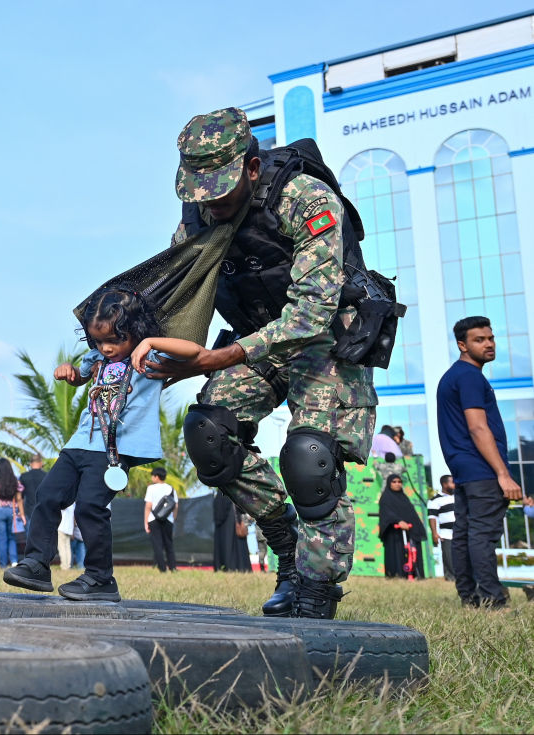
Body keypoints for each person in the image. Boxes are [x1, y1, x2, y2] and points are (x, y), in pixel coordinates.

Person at [141, 108, 378, 619]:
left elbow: (313, 309)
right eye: (200, 193)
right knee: (210, 436)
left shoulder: (306, 199)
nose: (211, 204)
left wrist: (221, 356)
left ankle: (317, 588)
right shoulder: (198, 218)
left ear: (251, 168)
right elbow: (173, 302)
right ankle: (289, 547)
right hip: (256, 339)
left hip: (324, 337)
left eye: (221, 190)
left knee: (309, 457)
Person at [4, 286, 170, 602]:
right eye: (99, 341)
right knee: (48, 495)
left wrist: (148, 342)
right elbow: (81, 376)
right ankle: (37, 563)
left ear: (135, 332)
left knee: (90, 507)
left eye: (114, 340)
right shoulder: (96, 357)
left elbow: (190, 350)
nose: (106, 348)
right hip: (81, 440)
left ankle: (100, 578)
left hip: (115, 448)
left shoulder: (150, 356)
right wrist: (70, 373)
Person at [436, 316, 522, 608]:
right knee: (482, 535)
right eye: (479, 339)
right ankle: (492, 599)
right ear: (462, 345)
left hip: (464, 469)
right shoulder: (470, 376)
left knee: (465, 533)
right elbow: (477, 427)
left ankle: (471, 598)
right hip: (482, 469)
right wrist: (503, 473)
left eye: (490, 338)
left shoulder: (453, 376)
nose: (488, 344)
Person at [379, 474, 426, 580]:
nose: (397, 484)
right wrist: (398, 521)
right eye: (394, 482)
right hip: (394, 533)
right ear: (389, 483)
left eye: (399, 482)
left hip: (409, 531)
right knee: (397, 553)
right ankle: (397, 576)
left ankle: (415, 575)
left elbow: (411, 514)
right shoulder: (386, 498)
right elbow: (387, 512)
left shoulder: (403, 497)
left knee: (412, 552)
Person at [0, 458, 25, 568]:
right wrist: (22, 515)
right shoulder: (15, 482)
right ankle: (14, 561)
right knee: (11, 537)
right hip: (12, 511)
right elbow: (19, 499)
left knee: (1, 539)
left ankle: (3, 563)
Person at [143, 467, 177, 572]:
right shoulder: (171, 488)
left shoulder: (151, 488)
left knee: (157, 544)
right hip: (168, 519)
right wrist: (173, 520)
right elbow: (175, 506)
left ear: (156, 477)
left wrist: (146, 522)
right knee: (169, 545)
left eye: (153, 476)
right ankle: (173, 567)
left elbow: (148, 505)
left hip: (154, 519)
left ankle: (162, 569)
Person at [213, 492, 252, 572]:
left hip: (224, 525)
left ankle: (225, 565)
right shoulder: (231, 493)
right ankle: (237, 566)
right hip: (232, 522)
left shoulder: (220, 495)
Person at [428, 475, 457, 581]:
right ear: (445, 484)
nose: (455, 485)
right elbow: (432, 517)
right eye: (452, 482)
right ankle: (450, 578)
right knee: (449, 557)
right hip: (446, 534)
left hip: (461, 532)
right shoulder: (435, 500)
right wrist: (434, 533)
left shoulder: (459, 497)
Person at [19, 455, 47, 534]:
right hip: (44, 511)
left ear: (30, 464)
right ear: (41, 463)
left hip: (29, 511)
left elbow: (20, 498)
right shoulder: (47, 475)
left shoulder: (24, 477)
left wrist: (22, 514)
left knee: (30, 538)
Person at [57, 504, 75, 570]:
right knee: (67, 547)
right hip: (69, 528)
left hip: (61, 527)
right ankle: (68, 565)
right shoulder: (73, 504)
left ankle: (64, 566)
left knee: (62, 547)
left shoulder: (65, 503)